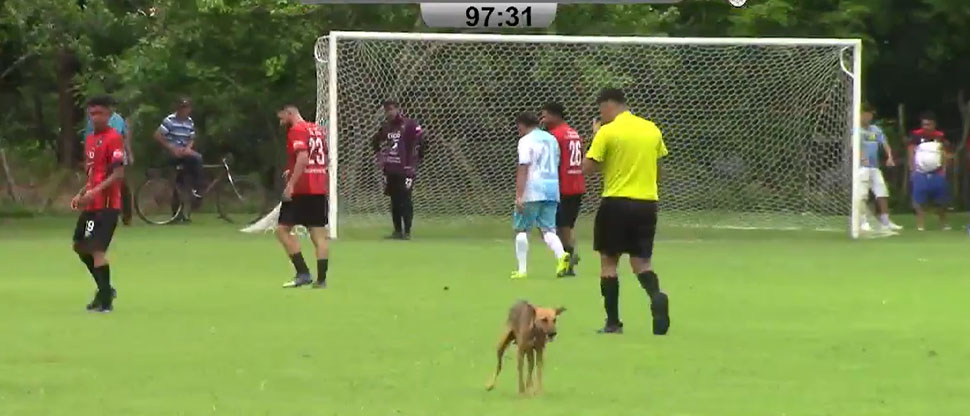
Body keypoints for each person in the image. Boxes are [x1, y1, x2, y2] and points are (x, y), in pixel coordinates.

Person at [583, 88, 669, 335]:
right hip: (647, 202)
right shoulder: (651, 129)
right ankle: (656, 296)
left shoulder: (607, 131)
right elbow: (658, 166)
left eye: (601, 110)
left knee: (609, 263)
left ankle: (613, 323)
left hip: (616, 202)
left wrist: (595, 136)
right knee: (642, 262)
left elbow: (590, 167)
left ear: (608, 105)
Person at [71, 95, 126, 312]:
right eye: (92, 113)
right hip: (92, 206)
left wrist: (94, 192)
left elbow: (118, 173)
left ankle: (105, 301)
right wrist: (82, 192)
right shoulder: (91, 139)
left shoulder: (114, 138)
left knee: (97, 250)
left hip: (108, 205)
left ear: (109, 114)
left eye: (100, 113)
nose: (95, 117)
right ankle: (105, 289)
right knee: (79, 246)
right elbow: (93, 172)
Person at [510, 112, 571, 280]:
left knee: (522, 228)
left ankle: (522, 270)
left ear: (522, 125)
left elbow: (524, 167)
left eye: (518, 127)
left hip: (533, 188)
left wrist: (519, 195)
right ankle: (561, 256)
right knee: (548, 229)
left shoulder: (525, 141)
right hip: (552, 189)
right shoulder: (551, 139)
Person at [276, 105, 330, 289]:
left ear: (289, 113)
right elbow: (323, 158)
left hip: (302, 189)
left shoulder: (297, 130)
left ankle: (303, 273)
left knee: (282, 230)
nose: (281, 122)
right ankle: (321, 280)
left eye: (282, 118)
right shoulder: (317, 130)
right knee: (318, 235)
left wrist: (291, 184)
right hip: (318, 187)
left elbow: (303, 158)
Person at [540, 102, 585, 276]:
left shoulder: (554, 136)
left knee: (560, 227)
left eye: (545, 115)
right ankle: (570, 258)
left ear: (555, 116)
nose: (542, 119)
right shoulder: (573, 133)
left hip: (563, 185)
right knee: (567, 226)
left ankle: (568, 262)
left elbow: (553, 163)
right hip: (577, 183)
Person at [371, 100, 425, 240]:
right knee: (394, 200)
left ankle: (407, 232)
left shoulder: (409, 125)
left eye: (391, 109)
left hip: (406, 169)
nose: (389, 112)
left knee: (405, 199)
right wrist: (380, 157)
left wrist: (416, 160)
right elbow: (375, 141)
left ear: (397, 109)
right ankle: (397, 231)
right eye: (386, 110)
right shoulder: (386, 127)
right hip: (390, 169)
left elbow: (423, 141)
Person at [83, 99, 134, 226]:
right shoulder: (93, 120)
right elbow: (90, 138)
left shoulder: (119, 120)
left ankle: (126, 216)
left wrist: (129, 152)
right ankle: (97, 214)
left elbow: (125, 136)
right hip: (100, 155)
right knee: (97, 183)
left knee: (122, 185)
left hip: (116, 154)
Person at [153, 97, 203, 221]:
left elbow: (191, 138)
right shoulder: (170, 120)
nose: (185, 111)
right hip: (172, 152)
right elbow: (157, 135)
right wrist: (171, 148)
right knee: (198, 159)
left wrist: (188, 148)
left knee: (182, 182)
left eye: (186, 108)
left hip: (184, 152)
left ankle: (180, 213)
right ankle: (198, 189)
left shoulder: (189, 121)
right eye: (182, 108)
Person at [858, 106, 902, 232]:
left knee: (882, 193)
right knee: (862, 195)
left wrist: (889, 157)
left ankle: (885, 221)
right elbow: (854, 145)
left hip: (874, 167)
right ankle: (863, 222)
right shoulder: (857, 130)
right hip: (861, 168)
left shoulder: (875, 129)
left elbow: (884, 143)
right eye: (864, 114)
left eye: (869, 115)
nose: (867, 117)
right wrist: (861, 157)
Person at [908, 111, 951, 231]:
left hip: (937, 172)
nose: (926, 127)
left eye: (929, 124)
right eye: (924, 124)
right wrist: (912, 169)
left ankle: (944, 224)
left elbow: (944, 153)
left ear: (934, 124)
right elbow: (911, 152)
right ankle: (920, 225)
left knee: (941, 200)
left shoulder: (940, 136)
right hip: (920, 172)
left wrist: (944, 169)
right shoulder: (915, 135)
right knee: (919, 199)